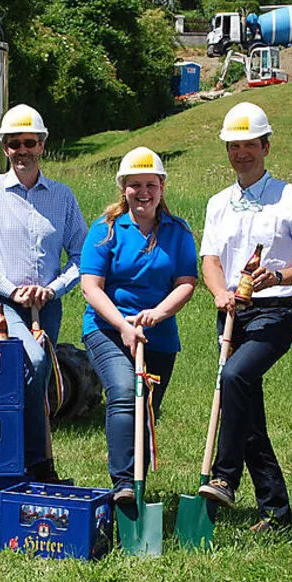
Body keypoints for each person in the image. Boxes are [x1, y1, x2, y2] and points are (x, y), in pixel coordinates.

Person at [196, 102, 292, 532]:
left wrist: (278, 276)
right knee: (246, 412)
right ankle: (276, 512)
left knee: (235, 378)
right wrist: (219, 292)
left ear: (266, 146)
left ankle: (224, 477)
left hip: (275, 313)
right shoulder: (219, 203)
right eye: (234, 147)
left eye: (249, 145)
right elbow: (210, 258)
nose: (241, 154)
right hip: (233, 311)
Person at [0, 104, 88, 483]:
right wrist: (11, 290)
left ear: (42, 145)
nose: (22, 150)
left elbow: (81, 254)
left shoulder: (62, 197)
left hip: (46, 306)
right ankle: (35, 463)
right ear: (5, 148)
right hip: (0, 304)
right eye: (14, 144)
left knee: (35, 373)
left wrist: (52, 288)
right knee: (31, 360)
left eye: (29, 142)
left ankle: (11, 460)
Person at [79, 147, 198, 504]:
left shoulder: (178, 232)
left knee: (146, 409)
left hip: (158, 335)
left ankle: (139, 480)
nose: (143, 192)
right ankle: (123, 484)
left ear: (162, 187)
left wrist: (157, 314)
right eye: (135, 185)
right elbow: (90, 287)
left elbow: (186, 282)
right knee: (123, 393)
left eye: (150, 184)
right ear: (123, 188)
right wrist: (124, 326)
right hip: (107, 328)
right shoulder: (106, 229)